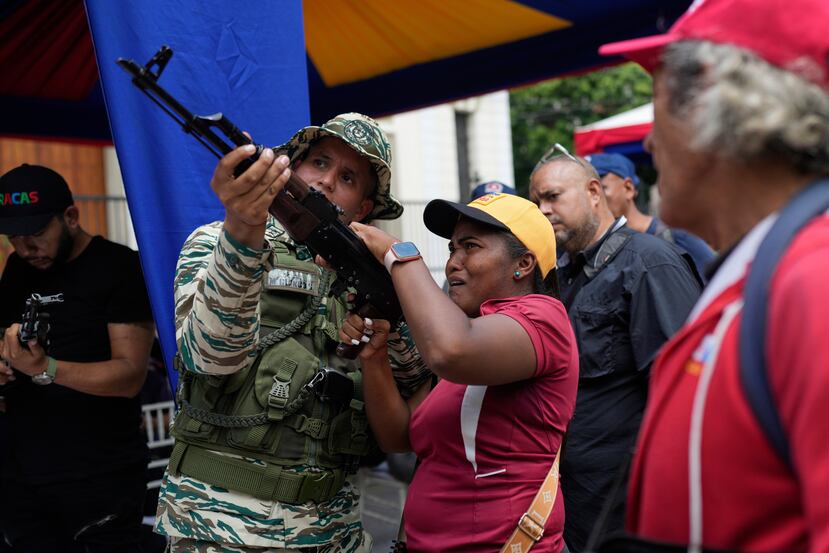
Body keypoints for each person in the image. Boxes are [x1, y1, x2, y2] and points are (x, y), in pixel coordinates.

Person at [598, 0, 829, 550]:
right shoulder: (770, 269)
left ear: (709, 107)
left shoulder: (812, 279)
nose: (649, 143)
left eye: (657, 105)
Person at [154, 113, 432, 552]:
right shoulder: (217, 242)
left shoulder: (374, 274)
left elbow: (422, 384)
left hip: (333, 531)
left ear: (363, 208)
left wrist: (386, 308)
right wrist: (242, 232)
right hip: (219, 525)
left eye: (347, 178)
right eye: (319, 163)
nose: (326, 181)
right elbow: (208, 358)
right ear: (293, 168)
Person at [339, 193, 579, 552]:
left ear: (524, 263)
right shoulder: (471, 331)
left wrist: (399, 254)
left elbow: (450, 351)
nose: (453, 262)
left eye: (471, 246)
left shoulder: (544, 318)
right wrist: (374, 358)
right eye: (453, 248)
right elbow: (400, 437)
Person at [529, 148, 702, 552]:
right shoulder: (560, 272)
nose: (542, 210)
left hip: (626, 502)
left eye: (552, 196)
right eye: (536, 200)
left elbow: (682, 392)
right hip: (573, 496)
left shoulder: (650, 262)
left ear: (594, 192)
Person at [0, 164, 155, 552]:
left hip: (100, 470)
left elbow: (130, 375)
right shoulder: (17, 267)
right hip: (24, 469)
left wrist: (45, 369)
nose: (25, 248)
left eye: (37, 233)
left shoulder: (120, 267)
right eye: (13, 237)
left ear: (70, 216)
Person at [587, 152, 715, 277]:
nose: (594, 198)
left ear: (628, 188)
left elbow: (715, 279)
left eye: (602, 188)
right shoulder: (601, 250)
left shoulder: (675, 235)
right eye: (590, 191)